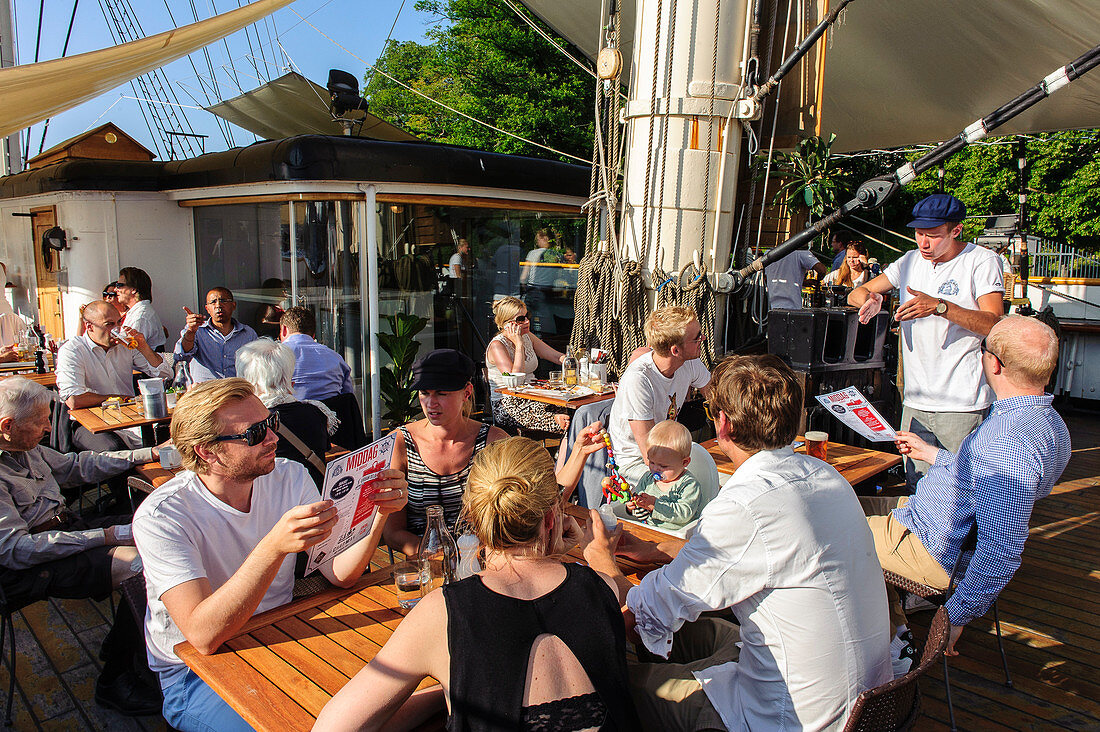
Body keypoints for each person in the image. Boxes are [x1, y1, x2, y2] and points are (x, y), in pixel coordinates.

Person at [583, 354, 891, 732]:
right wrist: (651, 550)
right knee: (704, 633)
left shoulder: (745, 505)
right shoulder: (824, 475)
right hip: (867, 702)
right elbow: (736, 557)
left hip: (789, 719)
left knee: (610, 682)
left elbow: (644, 618)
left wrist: (602, 564)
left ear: (723, 424)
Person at [132, 378, 408, 732]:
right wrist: (274, 546)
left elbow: (341, 574)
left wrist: (379, 513)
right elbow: (202, 635)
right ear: (207, 452)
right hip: (197, 673)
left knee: (384, 702)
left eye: (272, 422)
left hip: (281, 632)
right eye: (254, 433)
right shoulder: (165, 517)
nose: (273, 437)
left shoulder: (289, 476)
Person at [315, 437, 642, 732]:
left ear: (472, 516)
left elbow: (333, 727)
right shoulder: (603, 588)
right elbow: (647, 614)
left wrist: (446, 690)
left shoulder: (442, 614)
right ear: (552, 518)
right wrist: (576, 557)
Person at [862, 315, 1070, 675]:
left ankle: (893, 642)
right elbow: (985, 484)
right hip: (928, 516)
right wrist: (935, 455)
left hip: (928, 543)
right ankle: (893, 623)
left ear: (995, 364)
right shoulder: (1048, 422)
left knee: (829, 528)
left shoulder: (1006, 442)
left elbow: (1001, 550)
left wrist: (954, 615)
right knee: (844, 504)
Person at [0, 377, 162, 716]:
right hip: (27, 566)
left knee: (160, 532)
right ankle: (114, 681)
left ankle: (125, 638)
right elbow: (16, 551)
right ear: (7, 426)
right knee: (144, 570)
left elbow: (77, 467)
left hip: (65, 530)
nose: (48, 427)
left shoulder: (24, 447)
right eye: (40, 421)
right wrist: (103, 537)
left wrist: (150, 453)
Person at [849, 194, 1004, 487]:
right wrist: (872, 300)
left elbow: (993, 322)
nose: (923, 243)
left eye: (933, 236)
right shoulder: (909, 261)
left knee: (961, 489)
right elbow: (855, 293)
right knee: (916, 486)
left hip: (962, 403)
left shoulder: (982, 260)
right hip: (915, 401)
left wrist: (941, 307)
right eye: (919, 234)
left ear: (956, 230)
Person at [382, 349, 509, 556]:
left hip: (484, 559)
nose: (431, 403)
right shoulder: (401, 442)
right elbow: (393, 531)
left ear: (466, 393)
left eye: (442, 393)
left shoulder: (494, 441)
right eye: (424, 393)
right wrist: (433, 554)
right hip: (425, 564)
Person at [607, 305, 710, 485]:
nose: (703, 338)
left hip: (669, 457)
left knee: (710, 473)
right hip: (635, 464)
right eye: (697, 337)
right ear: (675, 351)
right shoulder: (638, 379)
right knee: (695, 485)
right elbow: (650, 455)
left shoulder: (690, 362)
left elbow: (716, 399)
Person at [56, 300, 173, 451]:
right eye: (109, 324)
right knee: (114, 448)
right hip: (90, 422)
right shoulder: (73, 350)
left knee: (170, 435)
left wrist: (143, 347)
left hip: (129, 419)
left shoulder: (124, 345)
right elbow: (74, 399)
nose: (116, 329)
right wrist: (122, 399)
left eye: (119, 322)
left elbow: (165, 374)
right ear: (89, 327)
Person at [235, 338, 337, 487]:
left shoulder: (249, 427)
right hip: (315, 494)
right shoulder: (317, 411)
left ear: (248, 382)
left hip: (275, 503)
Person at [485, 296, 570, 433]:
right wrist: (519, 345)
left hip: (534, 396)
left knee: (572, 413)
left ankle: (563, 452)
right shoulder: (497, 346)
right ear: (507, 323)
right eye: (521, 319)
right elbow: (515, 382)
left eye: (527, 316)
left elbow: (554, 355)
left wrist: (575, 362)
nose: (527, 321)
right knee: (563, 420)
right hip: (508, 404)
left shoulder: (527, 336)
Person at [623, 420, 703, 530]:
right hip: (649, 529)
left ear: (684, 463)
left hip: (676, 535)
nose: (655, 468)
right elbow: (639, 498)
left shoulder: (688, 485)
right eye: (651, 462)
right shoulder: (648, 478)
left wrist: (655, 505)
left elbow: (685, 514)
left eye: (663, 466)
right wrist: (632, 506)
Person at [174, 287, 258, 383]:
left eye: (223, 301)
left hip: (236, 391)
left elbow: (257, 366)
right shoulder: (197, 330)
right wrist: (191, 332)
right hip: (205, 392)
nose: (218, 305)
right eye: (213, 302)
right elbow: (181, 357)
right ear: (207, 309)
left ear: (233, 305)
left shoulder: (248, 334)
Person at [278, 306, 354, 401]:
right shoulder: (336, 358)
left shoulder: (273, 356)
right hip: (329, 414)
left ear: (284, 330)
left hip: (290, 414)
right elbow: (348, 399)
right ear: (313, 334)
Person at [115, 267, 167, 351]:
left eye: (119, 285)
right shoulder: (136, 312)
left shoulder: (141, 316)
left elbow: (132, 351)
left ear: (133, 289)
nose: (115, 289)